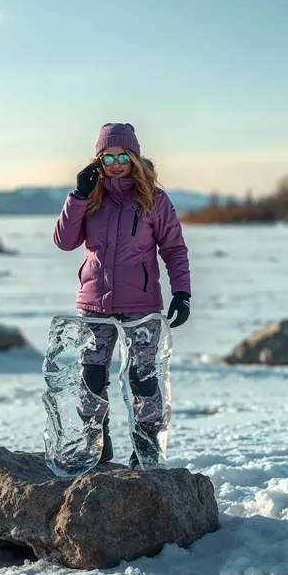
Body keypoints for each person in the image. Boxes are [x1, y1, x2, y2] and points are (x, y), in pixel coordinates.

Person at [54, 122, 191, 469]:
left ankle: (145, 449)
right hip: (94, 301)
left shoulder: (154, 199)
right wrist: (78, 196)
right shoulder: (90, 196)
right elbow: (64, 241)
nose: (115, 163)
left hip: (141, 304)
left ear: (134, 156)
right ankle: (95, 445)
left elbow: (174, 249)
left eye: (122, 156)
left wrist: (182, 292)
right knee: (91, 376)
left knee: (143, 378)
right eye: (107, 156)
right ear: (99, 159)